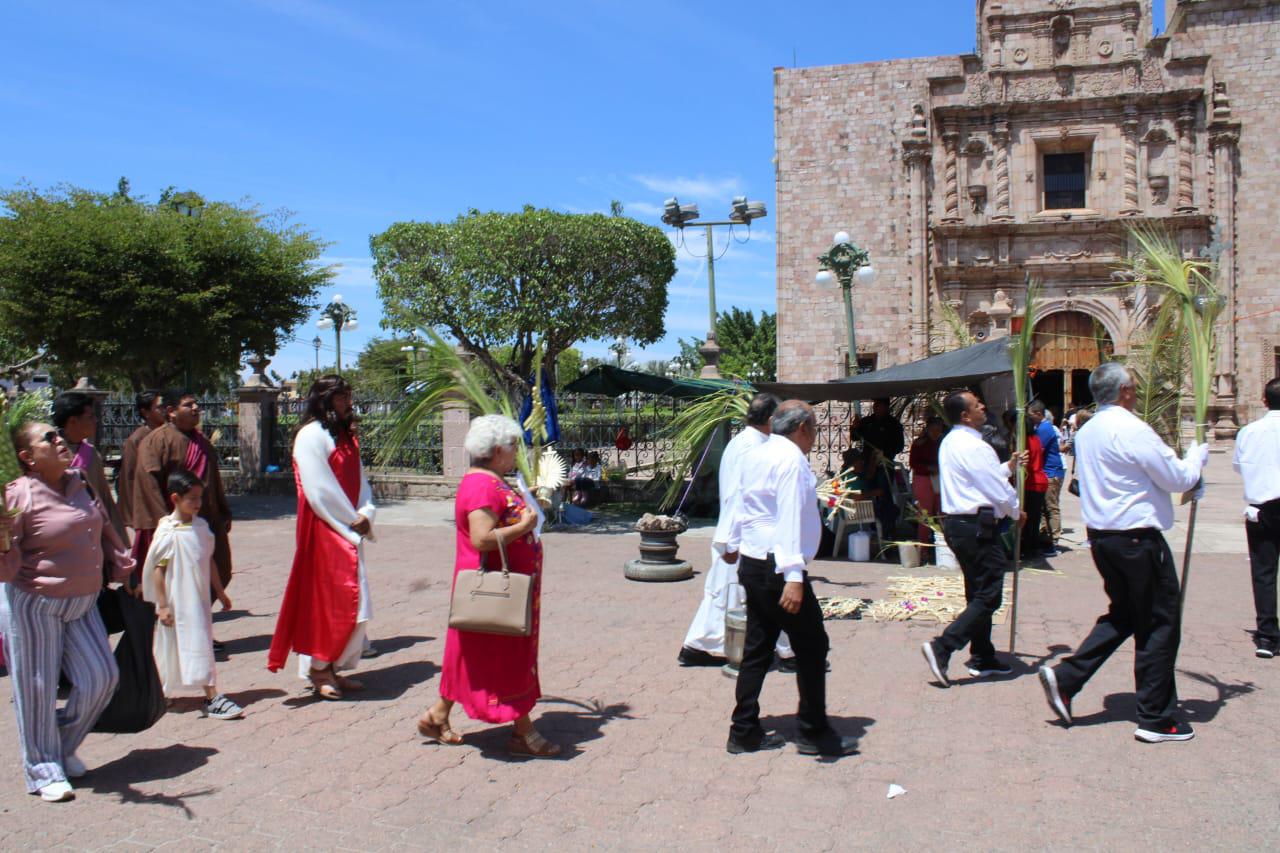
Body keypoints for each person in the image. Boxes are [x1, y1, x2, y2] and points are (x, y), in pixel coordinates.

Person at [1037, 362, 1208, 744]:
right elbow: (1176, 478)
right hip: (1135, 539)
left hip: (1103, 538)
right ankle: (1156, 717)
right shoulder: (1130, 428)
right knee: (1160, 623)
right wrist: (1197, 457)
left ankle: (1067, 677)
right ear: (1126, 391)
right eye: (1133, 384)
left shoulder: (1090, 428)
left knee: (1127, 614)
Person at [0, 421, 134, 802]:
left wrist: (123, 567)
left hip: (85, 601)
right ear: (27, 458)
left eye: (58, 433)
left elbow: (103, 528)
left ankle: (57, 742)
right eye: (49, 438)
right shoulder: (18, 495)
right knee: (37, 688)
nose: (59, 439)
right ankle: (43, 769)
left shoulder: (79, 482)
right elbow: (6, 568)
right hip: (36, 604)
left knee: (101, 678)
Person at [416, 414, 560, 757]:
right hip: (494, 592)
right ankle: (523, 731)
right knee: (502, 656)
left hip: (495, 590)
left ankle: (438, 714)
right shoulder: (482, 485)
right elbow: (482, 538)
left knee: (471, 654)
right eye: (513, 448)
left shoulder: (492, 479)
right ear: (498, 451)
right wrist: (525, 526)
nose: (516, 454)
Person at [721, 400, 859, 757]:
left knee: (757, 647)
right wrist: (794, 575)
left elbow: (739, 502)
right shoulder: (791, 460)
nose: (814, 436)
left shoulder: (756, 454)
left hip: (754, 561)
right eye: (814, 428)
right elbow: (789, 519)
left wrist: (731, 542)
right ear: (802, 428)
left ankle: (744, 729)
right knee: (812, 647)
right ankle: (814, 731)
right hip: (778, 567)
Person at [268, 375, 377, 699]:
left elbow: (361, 481)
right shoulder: (310, 436)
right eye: (342, 398)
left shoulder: (344, 435)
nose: (349, 403)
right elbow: (318, 490)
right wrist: (350, 520)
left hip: (349, 526)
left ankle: (332, 666)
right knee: (330, 602)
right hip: (324, 528)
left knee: (356, 602)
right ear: (325, 400)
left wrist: (367, 513)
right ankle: (318, 668)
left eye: (349, 397)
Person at [679, 393, 793, 668]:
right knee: (756, 594)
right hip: (744, 536)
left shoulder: (741, 443)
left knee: (727, 593)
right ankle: (788, 652)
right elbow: (740, 496)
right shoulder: (752, 448)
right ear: (769, 420)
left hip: (741, 534)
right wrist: (731, 542)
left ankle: (700, 645)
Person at [921, 391, 1024, 686]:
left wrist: (1010, 467)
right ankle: (943, 646)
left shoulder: (954, 442)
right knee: (989, 593)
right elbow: (995, 489)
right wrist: (1016, 512)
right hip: (974, 525)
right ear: (966, 415)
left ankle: (982, 654)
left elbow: (982, 478)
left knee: (977, 590)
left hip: (959, 523)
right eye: (977, 404)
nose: (983, 407)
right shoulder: (974, 446)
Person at [142, 469, 242, 719]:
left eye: (200, 498)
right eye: (192, 499)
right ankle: (203, 696)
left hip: (198, 601)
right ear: (175, 498)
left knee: (199, 642)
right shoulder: (168, 531)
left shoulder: (201, 527)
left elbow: (209, 561)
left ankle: (209, 694)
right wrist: (163, 605)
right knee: (171, 647)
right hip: (178, 601)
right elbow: (159, 569)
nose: (198, 504)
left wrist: (220, 591)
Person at [133, 391, 233, 595]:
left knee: (218, 568)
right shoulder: (156, 441)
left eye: (196, 404)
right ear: (171, 412)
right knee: (173, 577)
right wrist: (168, 522)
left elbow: (213, 480)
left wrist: (223, 510)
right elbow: (150, 486)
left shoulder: (202, 442)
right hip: (176, 525)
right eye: (188, 405)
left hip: (205, 520)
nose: (196, 408)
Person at [1233, 377, 1280, 659]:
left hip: (1262, 509)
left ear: (1264, 400)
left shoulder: (1249, 431)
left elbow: (1239, 467)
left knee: (1264, 573)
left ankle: (1267, 637)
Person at [52, 392, 125, 541]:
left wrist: (119, 539)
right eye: (90, 416)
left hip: (90, 536)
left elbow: (104, 498)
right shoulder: (48, 454)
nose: (96, 420)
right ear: (72, 421)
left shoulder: (91, 453)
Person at [118, 390, 166, 579]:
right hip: (148, 510)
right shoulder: (137, 439)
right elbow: (129, 479)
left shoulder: (169, 434)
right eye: (158, 407)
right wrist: (135, 514)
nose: (163, 410)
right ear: (146, 412)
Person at [1029, 401, 1065, 554]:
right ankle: (1046, 537)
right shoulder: (1043, 427)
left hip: (1051, 472)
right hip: (1049, 471)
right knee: (1045, 507)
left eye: (1030, 415)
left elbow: (1038, 448)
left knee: (1051, 506)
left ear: (1038, 413)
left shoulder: (1044, 428)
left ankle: (1054, 539)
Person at [908, 417, 946, 547]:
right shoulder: (920, 444)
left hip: (941, 480)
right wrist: (929, 468)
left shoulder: (945, 443)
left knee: (943, 513)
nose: (935, 433)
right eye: (933, 430)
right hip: (923, 479)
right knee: (925, 514)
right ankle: (923, 548)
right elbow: (913, 463)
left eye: (938, 430)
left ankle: (944, 546)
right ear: (928, 430)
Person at [1021, 414, 1049, 557]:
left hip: (1031, 482)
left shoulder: (1024, 441)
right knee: (1034, 517)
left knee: (1028, 518)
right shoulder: (1036, 439)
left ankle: (1029, 547)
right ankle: (1033, 546)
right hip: (1040, 480)